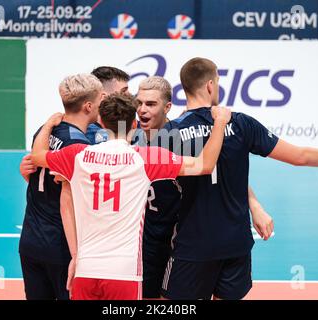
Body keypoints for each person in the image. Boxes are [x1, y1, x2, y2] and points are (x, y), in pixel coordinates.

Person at [160, 57, 318, 300]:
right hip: (235, 243)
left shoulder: (170, 133)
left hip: (193, 244)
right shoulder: (241, 123)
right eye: (217, 82)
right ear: (210, 85)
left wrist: (255, 203)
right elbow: (300, 156)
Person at [30, 93, 232, 300]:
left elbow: (37, 156)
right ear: (134, 124)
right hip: (124, 272)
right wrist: (220, 123)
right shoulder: (145, 158)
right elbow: (205, 165)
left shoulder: (76, 155)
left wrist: (48, 126)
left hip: (86, 268)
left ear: (100, 121)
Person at [133, 76, 274, 299]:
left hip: (183, 236)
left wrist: (254, 204)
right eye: (138, 103)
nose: (141, 110)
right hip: (147, 239)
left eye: (150, 104)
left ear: (167, 107)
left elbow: (221, 174)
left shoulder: (181, 133)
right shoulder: (131, 139)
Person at [18, 74, 104, 300]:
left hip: (30, 240)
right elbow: (76, 200)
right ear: (88, 106)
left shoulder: (43, 132)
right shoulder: (78, 147)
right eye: (98, 102)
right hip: (61, 246)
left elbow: (36, 174)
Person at [86, 66, 130, 144]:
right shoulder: (90, 134)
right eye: (123, 91)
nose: (129, 95)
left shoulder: (129, 123)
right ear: (103, 97)